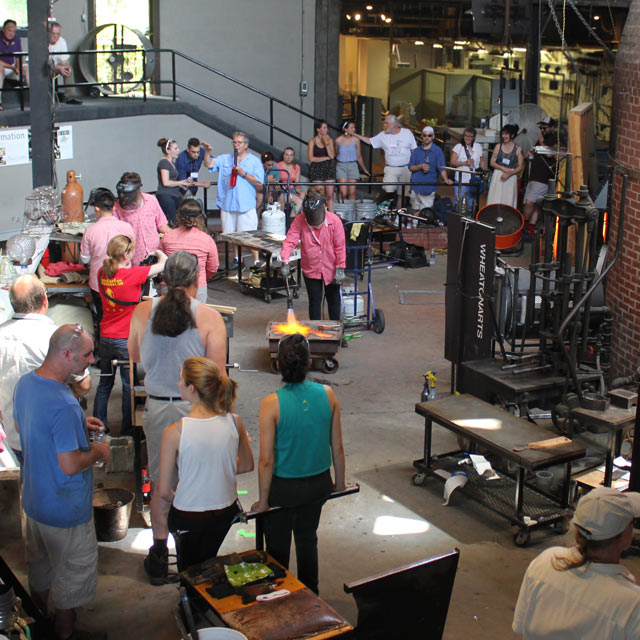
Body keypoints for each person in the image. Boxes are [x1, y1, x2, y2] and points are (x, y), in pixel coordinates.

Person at [128, 250, 227, 585]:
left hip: (157, 409)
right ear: (196, 280)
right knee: (195, 481)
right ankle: (194, 553)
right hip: (197, 413)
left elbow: (135, 355)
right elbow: (218, 377)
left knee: (161, 482)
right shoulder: (210, 318)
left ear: (164, 280)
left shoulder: (142, 311)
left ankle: (159, 554)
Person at [13, 324, 111, 640]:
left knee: (39, 571)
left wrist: (76, 424)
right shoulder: (66, 403)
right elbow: (69, 465)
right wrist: (98, 450)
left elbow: (23, 422)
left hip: (34, 502)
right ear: (67, 354)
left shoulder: (26, 384)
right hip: (65, 511)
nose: (91, 360)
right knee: (71, 579)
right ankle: (64, 633)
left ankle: (36, 624)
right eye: (86, 354)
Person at [252, 333, 346, 594]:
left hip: (284, 490)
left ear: (278, 365)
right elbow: (337, 446)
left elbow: (266, 460)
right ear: (309, 363)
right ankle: (311, 593)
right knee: (307, 538)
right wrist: (339, 483)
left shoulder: (271, 403)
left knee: (278, 546)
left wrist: (263, 502)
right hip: (318, 485)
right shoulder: (328, 394)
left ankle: (279, 594)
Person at [157, 357, 253, 570]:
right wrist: (219, 467)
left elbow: (163, 492)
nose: (177, 383)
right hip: (225, 511)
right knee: (207, 560)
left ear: (191, 388)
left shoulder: (174, 432)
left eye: (180, 379)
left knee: (190, 570)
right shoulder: (234, 421)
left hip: (188, 515)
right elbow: (246, 465)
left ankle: (191, 599)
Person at [513, 487, 640, 639]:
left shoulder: (547, 561)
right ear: (625, 536)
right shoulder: (632, 605)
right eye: (632, 523)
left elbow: (519, 628)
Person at [0, 275, 91, 466]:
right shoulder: (54, 337)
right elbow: (83, 385)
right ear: (44, 299)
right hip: (51, 438)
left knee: (21, 488)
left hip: (10, 438)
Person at [94, 235, 167, 437]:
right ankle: (127, 430)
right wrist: (157, 253)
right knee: (129, 386)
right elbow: (165, 263)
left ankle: (98, 427)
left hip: (105, 336)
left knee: (104, 384)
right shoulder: (134, 274)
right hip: (125, 339)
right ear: (126, 254)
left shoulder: (102, 273)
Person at [280, 191, 346, 322]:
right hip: (311, 269)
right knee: (314, 302)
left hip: (331, 268)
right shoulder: (300, 220)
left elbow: (340, 246)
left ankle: (337, 334)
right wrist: (285, 261)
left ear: (324, 209)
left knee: (334, 301)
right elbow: (290, 241)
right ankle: (315, 334)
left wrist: (340, 267)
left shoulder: (335, 221)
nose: (316, 225)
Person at [80, 187, 135, 335]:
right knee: (126, 319)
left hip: (99, 284)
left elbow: (85, 258)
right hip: (124, 280)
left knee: (103, 318)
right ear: (114, 206)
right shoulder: (126, 227)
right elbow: (132, 252)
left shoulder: (90, 230)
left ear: (96, 209)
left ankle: (104, 347)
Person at [208, 131, 264, 265]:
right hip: (228, 204)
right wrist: (206, 152)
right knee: (232, 235)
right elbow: (209, 164)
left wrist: (243, 173)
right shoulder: (225, 159)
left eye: (239, 142)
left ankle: (256, 260)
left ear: (246, 145)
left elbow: (260, 184)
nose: (236, 145)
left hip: (246, 204)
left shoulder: (254, 161)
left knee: (250, 234)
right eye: (234, 142)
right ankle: (237, 258)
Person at [160, 199, 219, 303]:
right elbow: (213, 267)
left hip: (170, 285)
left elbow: (161, 261)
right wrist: (202, 277)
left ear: (178, 216)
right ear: (200, 218)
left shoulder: (167, 237)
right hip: (197, 285)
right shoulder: (206, 239)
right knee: (196, 317)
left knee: (168, 317)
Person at [352, 114, 417, 206]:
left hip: (406, 168)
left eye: (387, 123)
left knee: (402, 194)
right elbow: (370, 141)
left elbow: (414, 150)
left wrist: (416, 167)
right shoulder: (383, 135)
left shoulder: (407, 133)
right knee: (389, 188)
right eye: (384, 123)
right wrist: (354, 134)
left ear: (394, 124)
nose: (384, 125)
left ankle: (397, 215)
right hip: (391, 168)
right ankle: (382, 207)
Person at [113, 171, 171, 265]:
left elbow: (162, 225)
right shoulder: (116, 208)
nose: (124, 197)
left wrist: (177, 236)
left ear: (138, 189)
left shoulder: (151, 200)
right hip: (133, 261)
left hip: (156, 255)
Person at [523, 117, 567, 231]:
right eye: (540, 128)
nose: (542, 130)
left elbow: (550, 154)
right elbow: (537, 151)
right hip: (534, 175)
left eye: (545, 128)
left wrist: (542, 142)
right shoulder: (541, 139)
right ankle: (531, 230)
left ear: (552, 127)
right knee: (535, 206)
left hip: (544, 177)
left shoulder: (557, 139)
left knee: (529, 202)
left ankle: (523, 226)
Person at [408, 125, 453, 212]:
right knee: (414, 211)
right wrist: (420, 166)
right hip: (415, 186)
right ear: (422, 136)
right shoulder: (416, 151)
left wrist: (446, 179)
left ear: (433, 136)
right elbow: (411, 167)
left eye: (429, 135)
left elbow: (441, 167)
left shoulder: (437, 151)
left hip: (428, 187)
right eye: (425, 135)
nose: (427, 137)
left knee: (425, 213)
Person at [486, 124, 525, 209]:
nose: (504, 136)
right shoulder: (498, 146)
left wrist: (510, 173)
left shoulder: (518, 149)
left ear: (512, 135)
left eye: (506, 134)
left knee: (508, 200)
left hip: (511, 177)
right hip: (498, 175)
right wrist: (502, 168)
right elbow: (492, 162)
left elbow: (520, 166)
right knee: (495, 198)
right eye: (503, 134)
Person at [156, 138, 191, 226]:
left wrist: (183, 182)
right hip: (166, 196)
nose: (178, 150)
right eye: (175, 148)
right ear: (168, 151)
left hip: (174, 194)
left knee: (181, 216)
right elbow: (166, 182)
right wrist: (181, 183)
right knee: (171, 220)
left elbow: (172, 181)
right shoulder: (164, 163)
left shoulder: (171, 163)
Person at [450, 127, 486, 213]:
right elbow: (452, 162)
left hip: (473, 179)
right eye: (466, 136)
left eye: (470, 136)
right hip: (461, 179)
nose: (468, 138)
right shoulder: (459, 147)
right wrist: (464, 163)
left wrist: (482, 172)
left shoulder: (478, 147)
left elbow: (482, 160)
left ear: (474, 137)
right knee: (459, 201)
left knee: (470, 201)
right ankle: (458, 221)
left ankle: (468, 220)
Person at [335, 120, 369, 202]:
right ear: (345, 129)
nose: (354, 129)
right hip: (341, 166)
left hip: (353, 165)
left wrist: (364, 169)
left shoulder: (356, 140)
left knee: (352, 192)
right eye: (351, 127)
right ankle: (341, 211)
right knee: (343, 191)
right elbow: (336, 153)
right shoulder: (338, 140)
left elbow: (359, 155)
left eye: (354, 127)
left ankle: (351, 213)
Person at [48, 21, 81, 105]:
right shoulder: (43, 42)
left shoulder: (62, 41)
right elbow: (45, 63)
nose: (55, 36)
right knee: (48, 64)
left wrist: (66, 67)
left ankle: (70, 97)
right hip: (45, 67)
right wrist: (59, 68)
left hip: (56, 66)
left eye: (58, 34)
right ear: (49, 32)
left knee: (69, 69)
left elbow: (64, 60)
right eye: (53, 33)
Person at [307, 120, 336, 212]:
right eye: (324, 128)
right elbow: (311, 158)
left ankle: (331, 214)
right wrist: (325, 158)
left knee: (330, 193)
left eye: (326, 128)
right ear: (318, 129)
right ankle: (322, 213)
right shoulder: (312, 141)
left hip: (328, 167)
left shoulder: (329, 140)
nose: (326, 130)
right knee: (320, 192)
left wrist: (326, 143)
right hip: (316, 168)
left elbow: (332, 156)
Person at [0, 19, 28, 111]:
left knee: (25, 67)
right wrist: (13, 67)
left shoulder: (16, 39)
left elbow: (18, 56)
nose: (11, 33)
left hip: (12, 68)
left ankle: (33, 97)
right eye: (9, 30)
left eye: (14, 31)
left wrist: (19, 66)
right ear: (3, 29)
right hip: (4, 67)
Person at [276, 147, 304, 215]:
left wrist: (299, 192)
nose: (289, 157)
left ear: (293, 156)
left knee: (302, 196)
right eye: (287, 155)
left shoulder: (296, 167)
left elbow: (297, 183)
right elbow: (276, 182)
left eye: (291, 155)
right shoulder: (278, 166)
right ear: (283, 156)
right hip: (282, 191)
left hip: (292, 190)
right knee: (297, 201)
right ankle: (282, 219)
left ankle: (292, 220)